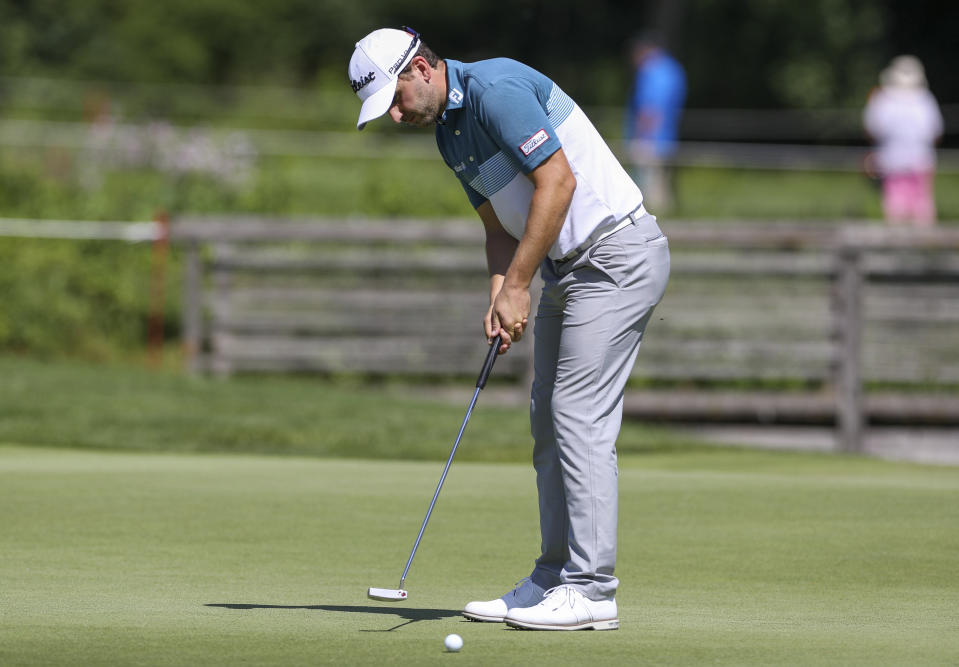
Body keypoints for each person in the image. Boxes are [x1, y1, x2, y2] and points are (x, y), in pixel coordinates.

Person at [349, 27, 670, 631]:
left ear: (420, 68)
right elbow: (498, 228)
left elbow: (559, 182)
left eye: (395, 98)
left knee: (578, 415)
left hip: (616, 255)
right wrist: (500, 293)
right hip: (565, 271)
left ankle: (593, 589)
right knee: (547, 418)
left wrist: (520, 284)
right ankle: (554, 578)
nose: (395, 115)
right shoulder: (449, 134)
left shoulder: (495, 88)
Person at [863, 55, 943, 226]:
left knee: (895, 209)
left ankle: (899, 248)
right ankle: (924, 248)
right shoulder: (925, 99)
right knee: (922, 208)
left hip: (892, 162)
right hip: (921, 161)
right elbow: (935, 133)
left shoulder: (883, 99)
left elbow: (872, 130)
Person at [625, 33, 687, 212]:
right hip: (668, 137)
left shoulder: (651, 70)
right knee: (661, 186)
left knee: (649, 194)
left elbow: (650, 108)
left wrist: (642, 137)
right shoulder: (673, 69)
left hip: (650, 138)